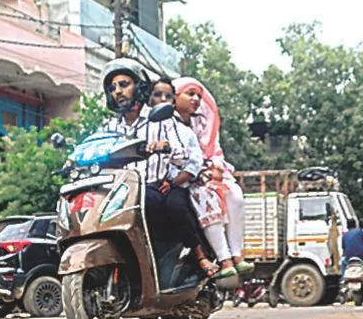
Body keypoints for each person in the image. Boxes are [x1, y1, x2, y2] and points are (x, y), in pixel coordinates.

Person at [100, 59, 205, 260]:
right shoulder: (110, 127)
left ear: (139, 87)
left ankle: (186, 255)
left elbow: (183, 154)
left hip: (153, 187)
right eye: (113, 88)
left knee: (156, 202)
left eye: (124, 85)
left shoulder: (160, 118)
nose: (118, 92)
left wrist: (164, 146)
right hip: (119, 191)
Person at [150, 80, 235, 279]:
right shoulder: (140, 126)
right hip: (143, 185)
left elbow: (194, 163)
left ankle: (200, 254)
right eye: (157, 95)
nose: (162, 100)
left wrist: (173, 182)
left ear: (173, 101)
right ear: (149, 98)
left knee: (176, 205)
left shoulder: (184, 132)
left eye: (167, 96)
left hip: (174, 185)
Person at [172, 77, 250, 276]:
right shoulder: (167, 124)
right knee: (205, 198)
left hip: (208, 172)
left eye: (198, 95)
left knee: (235, 194)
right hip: (183, 179)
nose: (196, 99)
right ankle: (224, 259)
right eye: (190, 94)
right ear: (175, 97)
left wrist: (215, 167)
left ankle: (237, 254)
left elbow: (213, 149)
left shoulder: (202, 121)